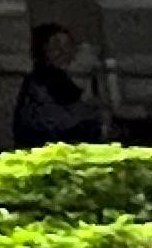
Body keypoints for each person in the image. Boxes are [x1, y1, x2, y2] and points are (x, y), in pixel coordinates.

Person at [12, 22, 100, 151]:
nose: (64, 52)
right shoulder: (39, 84)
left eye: (68, 46)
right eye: (55, 47)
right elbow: (58, 123)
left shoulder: (74, 82)